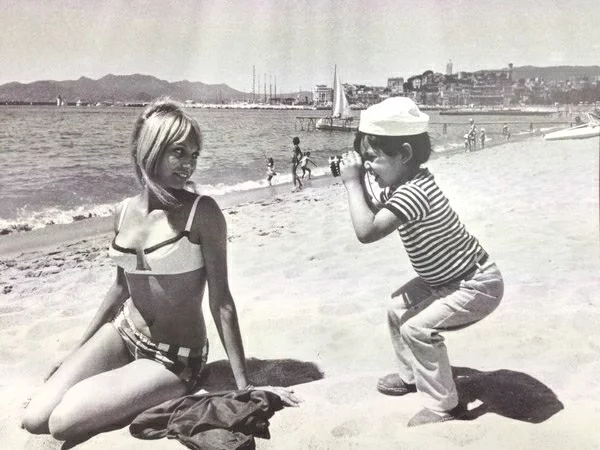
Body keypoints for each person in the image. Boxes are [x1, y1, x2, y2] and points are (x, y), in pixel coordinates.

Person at [21, 98, 299, 442]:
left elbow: (221, 301)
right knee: (34, 418)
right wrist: (75, 353)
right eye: (178, 153)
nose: (188, 166)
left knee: (61, 423)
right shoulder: (123, 212)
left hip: (173, 358)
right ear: (151, 150)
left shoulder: (203, 213)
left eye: (194, 155)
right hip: (122, 332)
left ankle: (151, 387)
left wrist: (245, 386)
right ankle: (124, 383)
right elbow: (120, 289)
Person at [337, 97, 503, 427]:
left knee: (417, 328)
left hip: (476, 282)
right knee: (396, 308)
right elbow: (374, 208)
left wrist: (352, 182)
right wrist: (364, 176)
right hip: (446, 280)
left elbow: (367, 231)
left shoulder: (414, 194)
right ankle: (412, 375)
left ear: (405, 155)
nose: (369, 166)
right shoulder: (406, 183)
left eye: (375, 159)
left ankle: (445, 405)